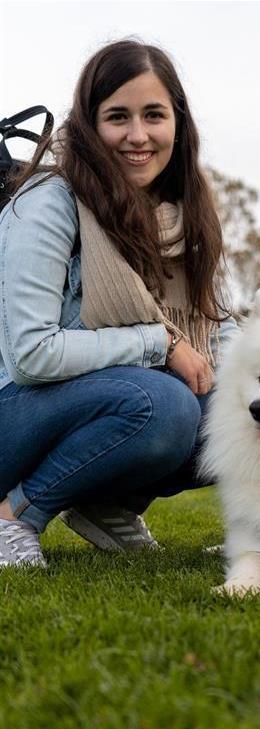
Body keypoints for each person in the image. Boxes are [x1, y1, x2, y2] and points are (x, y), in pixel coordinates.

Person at [0, 39, 239, 567]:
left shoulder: (184, 216)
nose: (138, 136)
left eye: (153, 115)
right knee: (162, 404)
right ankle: (14, 517)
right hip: (12, 407)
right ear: (89, 123)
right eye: (117, 117)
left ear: (177, 121)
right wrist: (160, 343)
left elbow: (218, 328)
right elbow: (32, 355)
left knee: (236, 412)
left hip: (86, 400)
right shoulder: (48, 203)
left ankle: (108, 506)